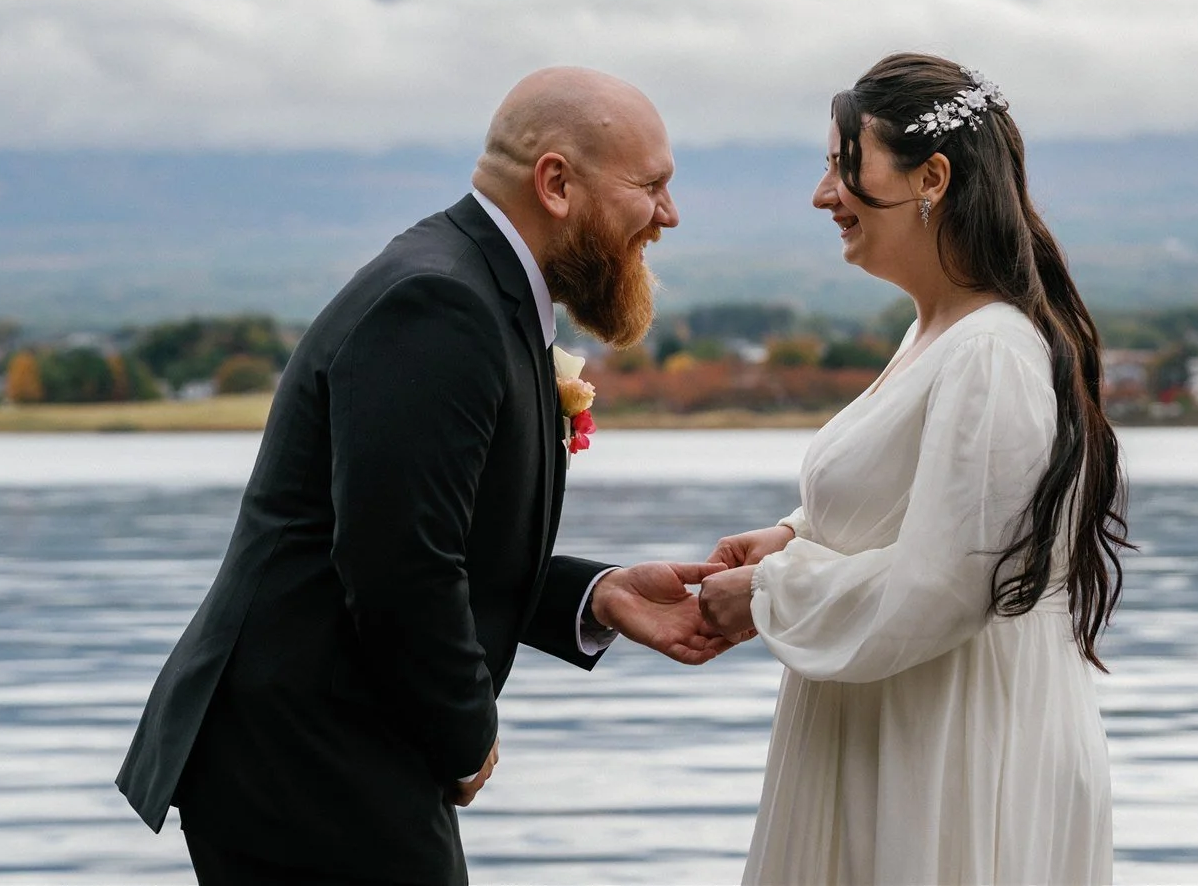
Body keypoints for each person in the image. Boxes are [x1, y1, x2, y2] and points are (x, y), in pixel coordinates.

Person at [117, 67, 732, 886]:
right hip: (307, 759)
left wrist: (595, 595)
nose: (668, 214)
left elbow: (424, 534)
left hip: (335, 745)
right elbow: (397, 563)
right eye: (650, 185)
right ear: (556, 183)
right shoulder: (440, 303)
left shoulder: (477, 288)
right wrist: (466, 733)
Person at [698, 52, 1130, 885]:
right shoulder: (934, 333)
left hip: (950, 751)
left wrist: (765, 593)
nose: (825, 195)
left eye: (844, 166)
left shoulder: (993, 352)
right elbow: (921, 505)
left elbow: (948, 586)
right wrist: (792, 533)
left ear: (932, 176)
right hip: (898, 729)